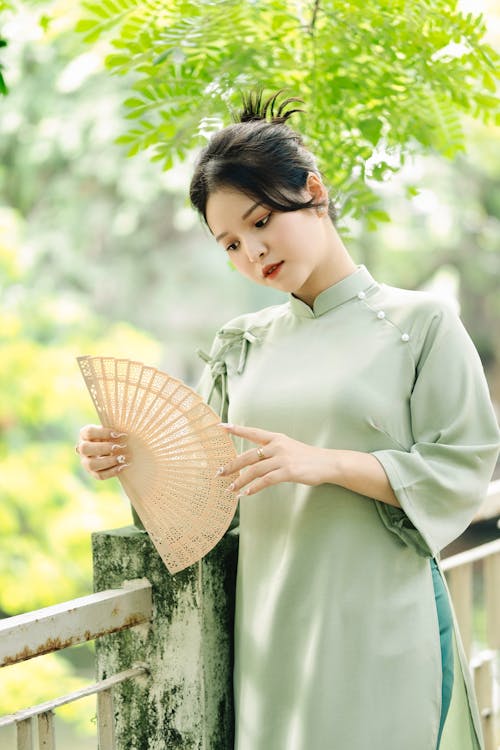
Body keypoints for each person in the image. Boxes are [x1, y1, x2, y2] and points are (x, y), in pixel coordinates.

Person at [76, 91, 500, 750]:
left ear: (314, 191)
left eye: (263, 220)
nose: (253, 253)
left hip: (378, 628)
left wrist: (325, 462)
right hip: (268, 640)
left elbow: (464, 468)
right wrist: (130, 461)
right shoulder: (239, 346)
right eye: (232, 244)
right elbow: (201, 504)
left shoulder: (421, 324)